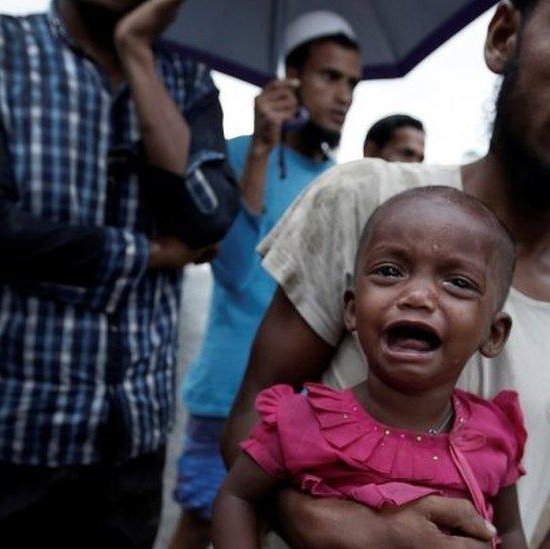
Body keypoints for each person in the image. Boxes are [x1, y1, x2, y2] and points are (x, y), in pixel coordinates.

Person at [221, 0, 550, 546]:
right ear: (504, 36)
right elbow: (257, 410)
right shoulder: (366, 201)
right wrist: (333, 524)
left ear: (494, 330)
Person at [0, 0, 238, 547]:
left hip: (132, 446)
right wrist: (145, 254)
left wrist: (137, 53)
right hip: (6, 439)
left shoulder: (187, 78)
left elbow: (206, 217)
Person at [213, 187, 528, 549]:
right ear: (351, 310)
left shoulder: (493, 434)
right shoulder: (302, 422)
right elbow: (237, 498)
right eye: (390, 271)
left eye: (458, 283)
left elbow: (511, 532)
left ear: (493, 333)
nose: (417, 296)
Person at [170, 10, 362, 548]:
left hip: (302, 405)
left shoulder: (338, 183)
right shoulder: (235, 153)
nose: (344, 94)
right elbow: (233, 272)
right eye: (330, 77)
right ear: (291, 79)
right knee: (203, 520)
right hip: (227, 392)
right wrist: (258, 148)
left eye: (352, 82)